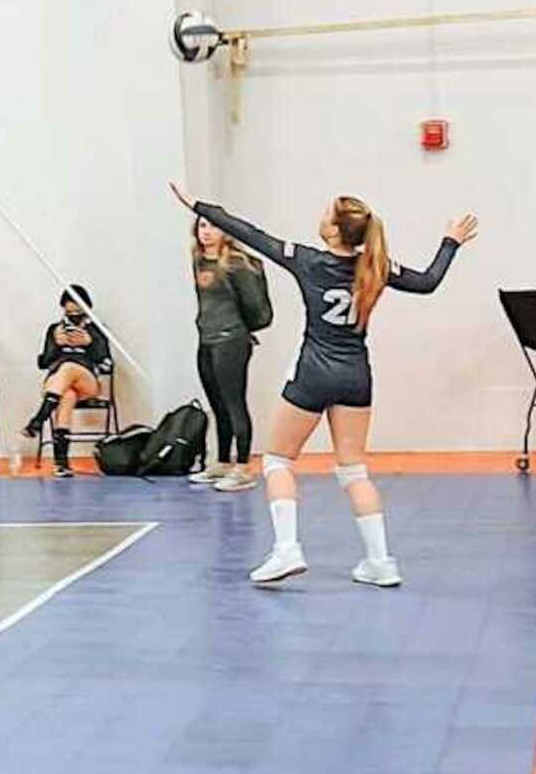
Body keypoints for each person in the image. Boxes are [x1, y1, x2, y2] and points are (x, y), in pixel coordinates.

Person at [170, 181, 477, 587]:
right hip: (355, 376)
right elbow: (427, 281)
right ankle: (380, 561)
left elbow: (251, 235)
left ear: (333, 230)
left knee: (278, 460)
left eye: (326, 212)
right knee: (353, 470)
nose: (320, 215)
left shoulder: (309, 261)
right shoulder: (376, 265)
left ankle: (287, 550)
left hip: (314, 372)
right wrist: (449, 242)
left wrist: (199, 205)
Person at [188, 215, 271, 491]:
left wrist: (239, 331)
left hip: (231, 340)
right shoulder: (198, 259)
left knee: (234, 402)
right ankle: (222, 461)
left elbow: (256, 309)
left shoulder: (236, 263)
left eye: (213, 226)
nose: (206, 232)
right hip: (207, 338)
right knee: (217, 404)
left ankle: (243, 466)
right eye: (202, 226)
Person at [21, 285, 110, 478]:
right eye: (69, 312)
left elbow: (107, 363)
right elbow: (43, 363)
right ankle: (61, 463)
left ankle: (39, 419)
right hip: (58, 383)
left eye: (78, 312)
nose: (74, 317)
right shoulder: (55, 330)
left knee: (69, 368)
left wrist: (90, 343)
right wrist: (56, 345)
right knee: (67, 395)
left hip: (87, 382)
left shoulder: (96, 329)